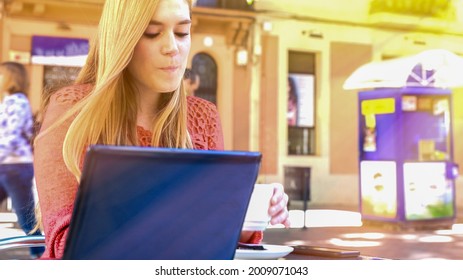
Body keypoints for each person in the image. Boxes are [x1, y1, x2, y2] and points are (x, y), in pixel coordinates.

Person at [33, 0, 290, 260]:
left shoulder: (204, 117)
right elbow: (67, 244)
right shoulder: (71, 110)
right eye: (153, 33)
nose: (172, 48)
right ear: (123, 39)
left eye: (182, 33)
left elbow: (214, 235)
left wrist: (244, 218)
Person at [0, 61, 45, 259]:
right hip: (7, 165)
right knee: (26, 216)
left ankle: (40, 255)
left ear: (12, 78)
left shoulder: (17, 101)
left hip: (15, 167)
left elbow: (12, 135)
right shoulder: (8, 101)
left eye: (1, 74)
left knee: (26, 217)